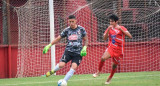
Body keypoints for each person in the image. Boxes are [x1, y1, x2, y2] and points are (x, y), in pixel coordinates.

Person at [43, 15, 88, 82]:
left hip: (78, 53)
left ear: (76, 21)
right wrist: (49, 45)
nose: (71, 23)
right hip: (68, 51)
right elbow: (58, 38)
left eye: (73, 21)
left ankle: (64, 81)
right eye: (70, 22)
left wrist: (85, 47)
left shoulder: (81, 29)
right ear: (68, 22)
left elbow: (86, 39)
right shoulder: (66, 30)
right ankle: (52, 71)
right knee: (61, 65)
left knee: (74, 67)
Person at [93, 14, 132, 84]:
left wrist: (121, 29)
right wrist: (108, 30)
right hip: (111, 47)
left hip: (119, 50)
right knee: (103, 58)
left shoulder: (122, 27)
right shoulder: (109, 29)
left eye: (112, 22)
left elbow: (130, 36)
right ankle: (98, 72)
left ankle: (109, 78)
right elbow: (104, 39)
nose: (110, 23)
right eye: (110, 21)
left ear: (116, 22)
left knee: (114, 66)